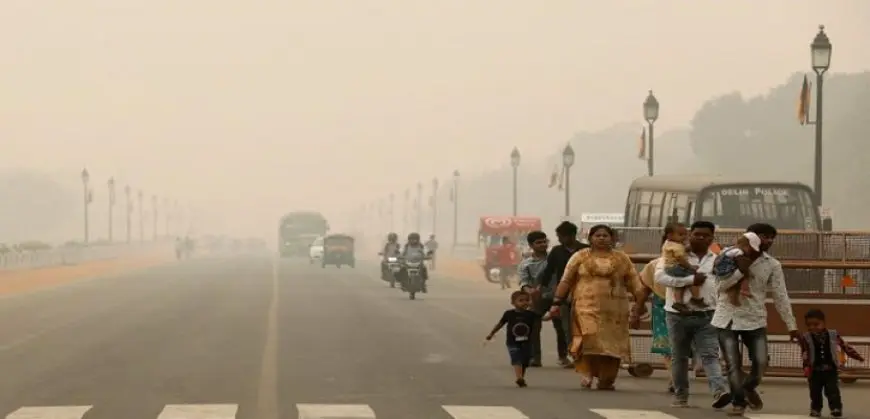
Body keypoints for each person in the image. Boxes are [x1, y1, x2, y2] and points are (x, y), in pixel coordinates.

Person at [712, 223, 800, 416]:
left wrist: (791, 325)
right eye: (763, 236)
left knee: (761, 362)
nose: (767, 240)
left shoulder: (772, 265)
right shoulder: (728, 256)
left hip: (755, 319)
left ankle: (747, 386)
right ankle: (738, 402)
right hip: (727, 319)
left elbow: (780, 295)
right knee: (733, 364)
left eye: (771, 237)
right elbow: (719, 287)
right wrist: (740, 272)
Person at [547, 224, 643, 390]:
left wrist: (639, 306)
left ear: (612, 239)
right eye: (597, 235)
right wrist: (556, 302)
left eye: (605, 235)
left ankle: (607, 379)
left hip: (616, 311)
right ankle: (586, 373)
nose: (601, 238)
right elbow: (566, 280)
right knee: (587, 337)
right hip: (585, 306)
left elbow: (635, 284)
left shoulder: (622, 258)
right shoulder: (580, 256)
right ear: (590, 238)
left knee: (612, 345)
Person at [654, 221, 731, 409]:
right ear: (690, 235)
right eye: (697, 234)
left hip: (706, 314)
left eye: (706, 235)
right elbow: (660, 277)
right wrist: (691, 279)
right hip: (677, 315)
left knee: (710, 355)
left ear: (712, 238)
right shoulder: (674, 253)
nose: (701, 238)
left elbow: (726, 281)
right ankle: (681, 396)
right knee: (679, 357)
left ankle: (719, 391)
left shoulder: (717, 258)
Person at [537, 221, 589, 368]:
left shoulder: (585, 250)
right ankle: (573, 354)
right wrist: (542, 287)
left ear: (572, 235)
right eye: (558, 236)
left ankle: (585, 354)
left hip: (585, 292)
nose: (559, 239)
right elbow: (549, 270)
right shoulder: (556, 251)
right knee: (567, 326)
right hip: (564, 294)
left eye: (561, 236)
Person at [799, 309, 865, 418]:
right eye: (809, 325)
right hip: (815, 371)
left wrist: (857, 357)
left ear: (824, 323)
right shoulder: (806, 338)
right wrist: (806, 367)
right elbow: (805, 353)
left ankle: (836, 408)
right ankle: (816, 409)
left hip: (830, 370)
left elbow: (845, 347)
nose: (812, 327)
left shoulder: (833, 335)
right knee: (815, 392)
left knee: (832, 390)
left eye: (816, 324)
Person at [518, 231, 570, 368]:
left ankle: (563, 357)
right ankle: (535, 358)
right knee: (534, 328)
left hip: (557, 297)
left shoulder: (556, 259)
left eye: (544, 241)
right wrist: (531, 292)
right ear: (530, 245)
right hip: (537, 298)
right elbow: (524, 282)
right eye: (538, 242)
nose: (542, 245)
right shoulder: (526, 264)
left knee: (561, 328)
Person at [485, 290, 547, 387]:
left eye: (527, 300)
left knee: (525, 361)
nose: (524, 303)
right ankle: (519, 378)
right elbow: (500, 324)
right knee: (517, 358)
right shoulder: (509, 314)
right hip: (512, 341)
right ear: (513, 303)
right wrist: (492, 333)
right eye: (521, 300)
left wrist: (552, 315)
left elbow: (543, 318)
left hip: (527, 342)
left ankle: (521, 377)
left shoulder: (531, 314)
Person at [661, 223, 707, 313]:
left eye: (686, 234)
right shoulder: (676, 246)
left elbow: (682, 251)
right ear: (670, 235)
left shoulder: (670, 243)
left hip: (670, 268)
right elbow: (681, 259)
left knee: (681, 283)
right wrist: (691, 267)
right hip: (675, 267)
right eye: (681, 235)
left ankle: (678, 302)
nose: (684, 237)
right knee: (694, 278)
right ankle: (695, 298)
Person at [712, 232, 762, 305]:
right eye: (750, 249)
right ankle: (744, 289)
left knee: (734, 284)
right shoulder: (739, 252)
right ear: (746, 245)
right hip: (726, 271)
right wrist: (748, 274)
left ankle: (732, 297)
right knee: (743, 275)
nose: (749, 252)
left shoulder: (729, 249)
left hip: (719, 271)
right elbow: (742, 265)